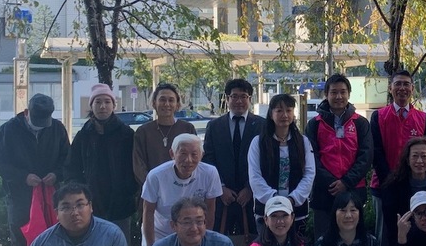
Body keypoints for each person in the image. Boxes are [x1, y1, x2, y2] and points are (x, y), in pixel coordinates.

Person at [0, 93, 70, 246]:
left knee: (53, 245)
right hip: (20, 197)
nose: (42, 127)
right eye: (38, 122)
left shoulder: (56, 128)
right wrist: (22, 177)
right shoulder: (9, 129)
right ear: (27, 113)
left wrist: (57, 173)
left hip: (52, 195)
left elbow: (67, 158)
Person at [66, 83, 138, 246]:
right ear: (92, 106)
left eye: (107, 102)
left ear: (114, 105)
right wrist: (80, 198)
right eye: (98, 102)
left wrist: (129, 194)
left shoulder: (127, 134)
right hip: (90, 206)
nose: (103, 106)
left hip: (120, 204)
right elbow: (72, 169)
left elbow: (134, 169)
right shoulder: (83, 135)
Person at [369, 70, 426, 246]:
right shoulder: (378, 116)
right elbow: (376, 152)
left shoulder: (423, 118)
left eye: (406, 84)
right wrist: (390, 182)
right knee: (384, 240)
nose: (402, 88)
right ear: (390, 88)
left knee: (415, 235)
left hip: (414, 188)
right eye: (398, 84)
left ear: (412, 88)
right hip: (383, 187)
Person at [305, 74, 373, 238]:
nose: (338, 97)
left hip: (353, 190)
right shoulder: (314, 124)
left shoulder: (360, 123)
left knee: (353, 240)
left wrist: (346, 182)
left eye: (343, 92)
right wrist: (332, 183)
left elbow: (366, 156)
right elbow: (310, 158)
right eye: (334, 92)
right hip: (324, 192)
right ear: (326, 94)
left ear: (349, 94)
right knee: (324, 241)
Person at [203, 78, 263, 236]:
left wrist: (250, 188)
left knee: (253, 242)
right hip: (221, 197)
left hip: (252, 197)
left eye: (244, 96)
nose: (239, 101)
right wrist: (220, 188)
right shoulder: (214, 126)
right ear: (227, 98)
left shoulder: (262, 125)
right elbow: (209, 159)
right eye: (234, 96)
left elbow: (266, 160)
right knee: (218, 240)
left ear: (250, 99)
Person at [248, 93, 316, 226]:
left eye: (289, 110)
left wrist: (292, 199)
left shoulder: (303, 142)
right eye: (279, 110)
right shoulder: (258, 142)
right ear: (271, 114)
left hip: (296, 210)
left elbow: (309, 173)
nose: (284, 115)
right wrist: (275, 200)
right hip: (267, 211)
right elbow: (254, 176)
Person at [379, 136, 426, 246]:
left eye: (424, 156)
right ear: (407, 159)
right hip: (405, 239)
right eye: (415, 156)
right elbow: (391, 221)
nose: (419, 161)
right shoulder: (393, 185)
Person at [132, 83, 197, 187]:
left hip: (183, 191)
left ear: (177, 105)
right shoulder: (143, 132)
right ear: (154, 103)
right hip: (152, 192)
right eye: (162, 100)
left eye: (171, 100)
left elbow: (195, 160)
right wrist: (153, 187)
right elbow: (138, 166)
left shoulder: (187, 129)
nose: (166, 104)